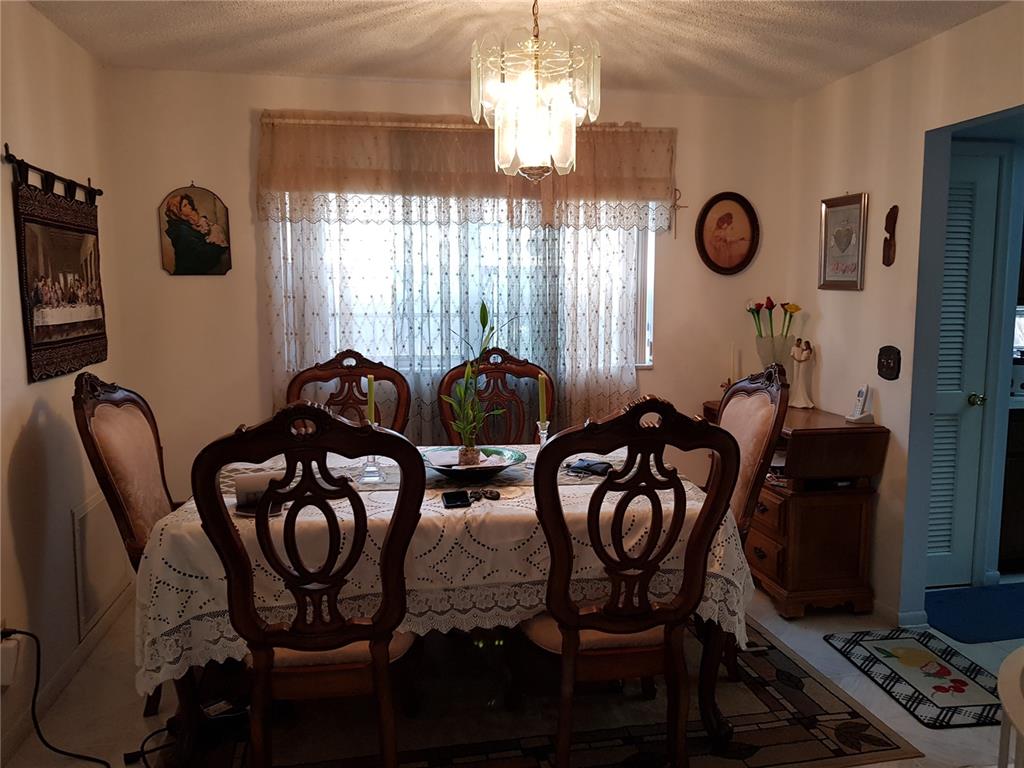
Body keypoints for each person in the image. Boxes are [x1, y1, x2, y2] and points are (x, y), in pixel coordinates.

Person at [164, 193, 229, 275]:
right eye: (185, 205)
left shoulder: (188, 224)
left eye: (188, 204)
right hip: (187, 275)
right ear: (177, 212)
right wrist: (218, 247)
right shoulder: (182, 231)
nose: (190, 206)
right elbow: (200, 255)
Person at [790, 339, 814, 408]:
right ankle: (797, 394)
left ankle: (801, 396)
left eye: (805, 344)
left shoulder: (807, 350)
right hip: (800, 364)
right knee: (799, 378)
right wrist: (798, 360)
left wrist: (802, 360)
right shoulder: (802, 349)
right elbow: (792, 355)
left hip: (803, 364)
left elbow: (808, 358)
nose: (804, 345)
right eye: (804, 344)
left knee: (801, 377)